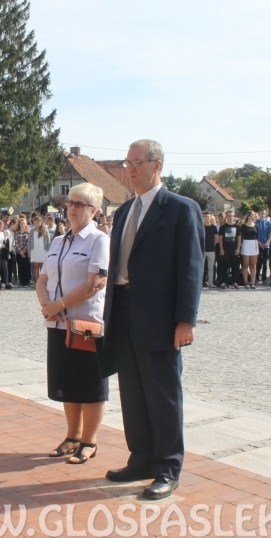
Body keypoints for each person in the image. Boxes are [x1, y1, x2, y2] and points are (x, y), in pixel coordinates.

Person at [103, 139, 204, 501]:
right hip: (124, 311)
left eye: (137, 162)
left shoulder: (180, 208)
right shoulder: (125, 210)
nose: (130, 169)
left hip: (160, 317)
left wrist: (186, 320)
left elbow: (191, 268)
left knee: (163, 394)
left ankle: (167, 467)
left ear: (157, 165)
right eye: (127, 162)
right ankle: (141, 458)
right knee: (132, 392)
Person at [36, 182, 109, 466]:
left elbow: (96, 283)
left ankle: (90, 441)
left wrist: (59, 305)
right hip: (57, 325)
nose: (73, 209)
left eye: (80, 204)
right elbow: (43, 279)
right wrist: (46, 305)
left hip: (85, 325)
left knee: (90, 383)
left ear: (95, 210)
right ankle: (72, 437)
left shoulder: (99, 240)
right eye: (70, 203)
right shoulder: (58, 241)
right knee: (67, 382)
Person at [238, 211, 259, 289]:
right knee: (245, 264)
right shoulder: (243, 226)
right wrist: (239, 246)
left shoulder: (256, 226)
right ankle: (246, 282)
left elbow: (257, 236)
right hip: (246, 244)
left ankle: (252, 282)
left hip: (254, 244)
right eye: (253, 215)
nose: (254, 217)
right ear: (249, 216)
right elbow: (240, 237)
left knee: (253, 265)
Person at [217, 211, 239, 289]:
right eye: (229, 216)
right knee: (224, 266)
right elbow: (220, 238)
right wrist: (221, 249)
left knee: (234, 267)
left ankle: (234, 282)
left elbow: (239, 238)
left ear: (234, 216)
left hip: (234, 249)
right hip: (225, 249)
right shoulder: (223, 227)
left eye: (232, 216)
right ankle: (223, 282)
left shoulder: (237, 227)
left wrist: (238, 248)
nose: (230, 217)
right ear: (226, 217)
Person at [29, 216, 51, 285]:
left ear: (41, 223)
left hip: (43, 250)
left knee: (42, 267)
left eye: (38, 223)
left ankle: (43, 283)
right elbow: (29, 241)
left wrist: (48, 251)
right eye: (35, 223)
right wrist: (29, 251)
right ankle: (37, 283)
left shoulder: (45, 230)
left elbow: (48, 241)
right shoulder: (32, 230)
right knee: (35, 267)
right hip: (34, 250)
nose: (36, 224)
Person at [256, 209, 271, 284]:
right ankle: (256, 277)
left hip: (266, 245)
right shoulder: (256, 223)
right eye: (261, 213)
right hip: (258, 245)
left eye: (264, 213)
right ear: (258, 214)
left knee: (265, 263)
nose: (262, 215)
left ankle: (264, 278)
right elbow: (254, 234)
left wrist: (268, 241)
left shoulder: (268, 223)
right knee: (258, 262)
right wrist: (259, 243)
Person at [14, 218, 31, 287]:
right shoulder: (16, 233)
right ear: (19, 224)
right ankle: (21, 282)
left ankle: (26, 282)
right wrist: (20, 251)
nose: (23, 225)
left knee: (26, 267)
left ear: (26, 224)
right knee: (20, 267)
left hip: (26, 252)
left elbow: (28, 243)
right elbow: (16, 242)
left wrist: (24, 251)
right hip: (19, 253)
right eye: (21, 223)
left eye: (24, 223)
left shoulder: (28, 232)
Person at [202, 213, 217, 288]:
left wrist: (213, 245)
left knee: (211, 267)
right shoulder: (201, 226)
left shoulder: (213, 227)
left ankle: (210, 282)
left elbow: (216, 238)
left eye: (208, 217)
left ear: (210, 218)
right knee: (201, 267)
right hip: (202, 249)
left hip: (211, 250)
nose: (207, 218)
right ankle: (201, 282)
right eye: (205, 217)